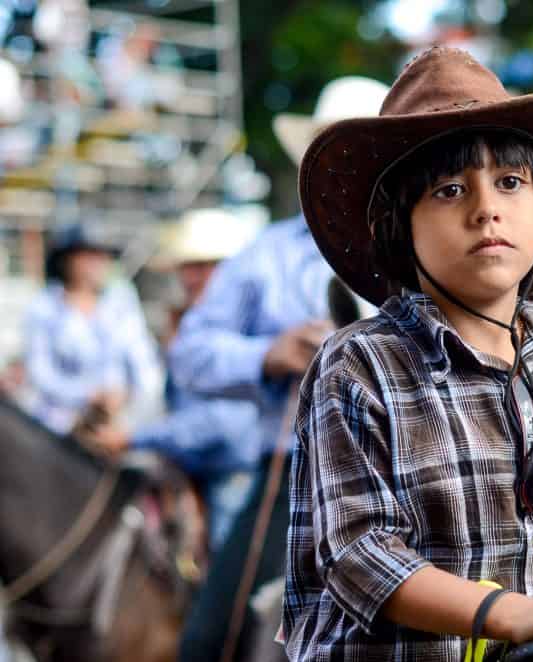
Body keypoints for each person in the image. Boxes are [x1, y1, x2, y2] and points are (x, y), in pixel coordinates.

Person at [284, 47, 533, 662]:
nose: (486, 209)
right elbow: (359, 553)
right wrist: (511, 613)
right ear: (402, 228)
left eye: (510, 182)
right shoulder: (360, 364)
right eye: (450, 190)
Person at [167, 77, 387, 661]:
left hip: (419, 465)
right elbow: (190, 352)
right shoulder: (266, 254)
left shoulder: (421, 241)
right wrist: (269, 354)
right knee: (207, 641)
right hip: (293, 476)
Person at [82, 208, 264, 552]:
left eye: (202, 267)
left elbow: (223, 421)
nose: (189, 278)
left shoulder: (246, 330)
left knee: (228, 579)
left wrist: (135, 437)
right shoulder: (190, 325)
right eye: (186, 267)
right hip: (188, 468)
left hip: (229, 472)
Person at [21, 223, 163, 436]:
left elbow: (143, 360)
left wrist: (129, 398)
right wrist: (87, 395)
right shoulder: (44, 306)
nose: (95, 264)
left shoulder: (121, 299)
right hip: (61, 421)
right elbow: (41, 373)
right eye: (87, 256)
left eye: (100, 256)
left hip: (120, 418)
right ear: (66, 261)